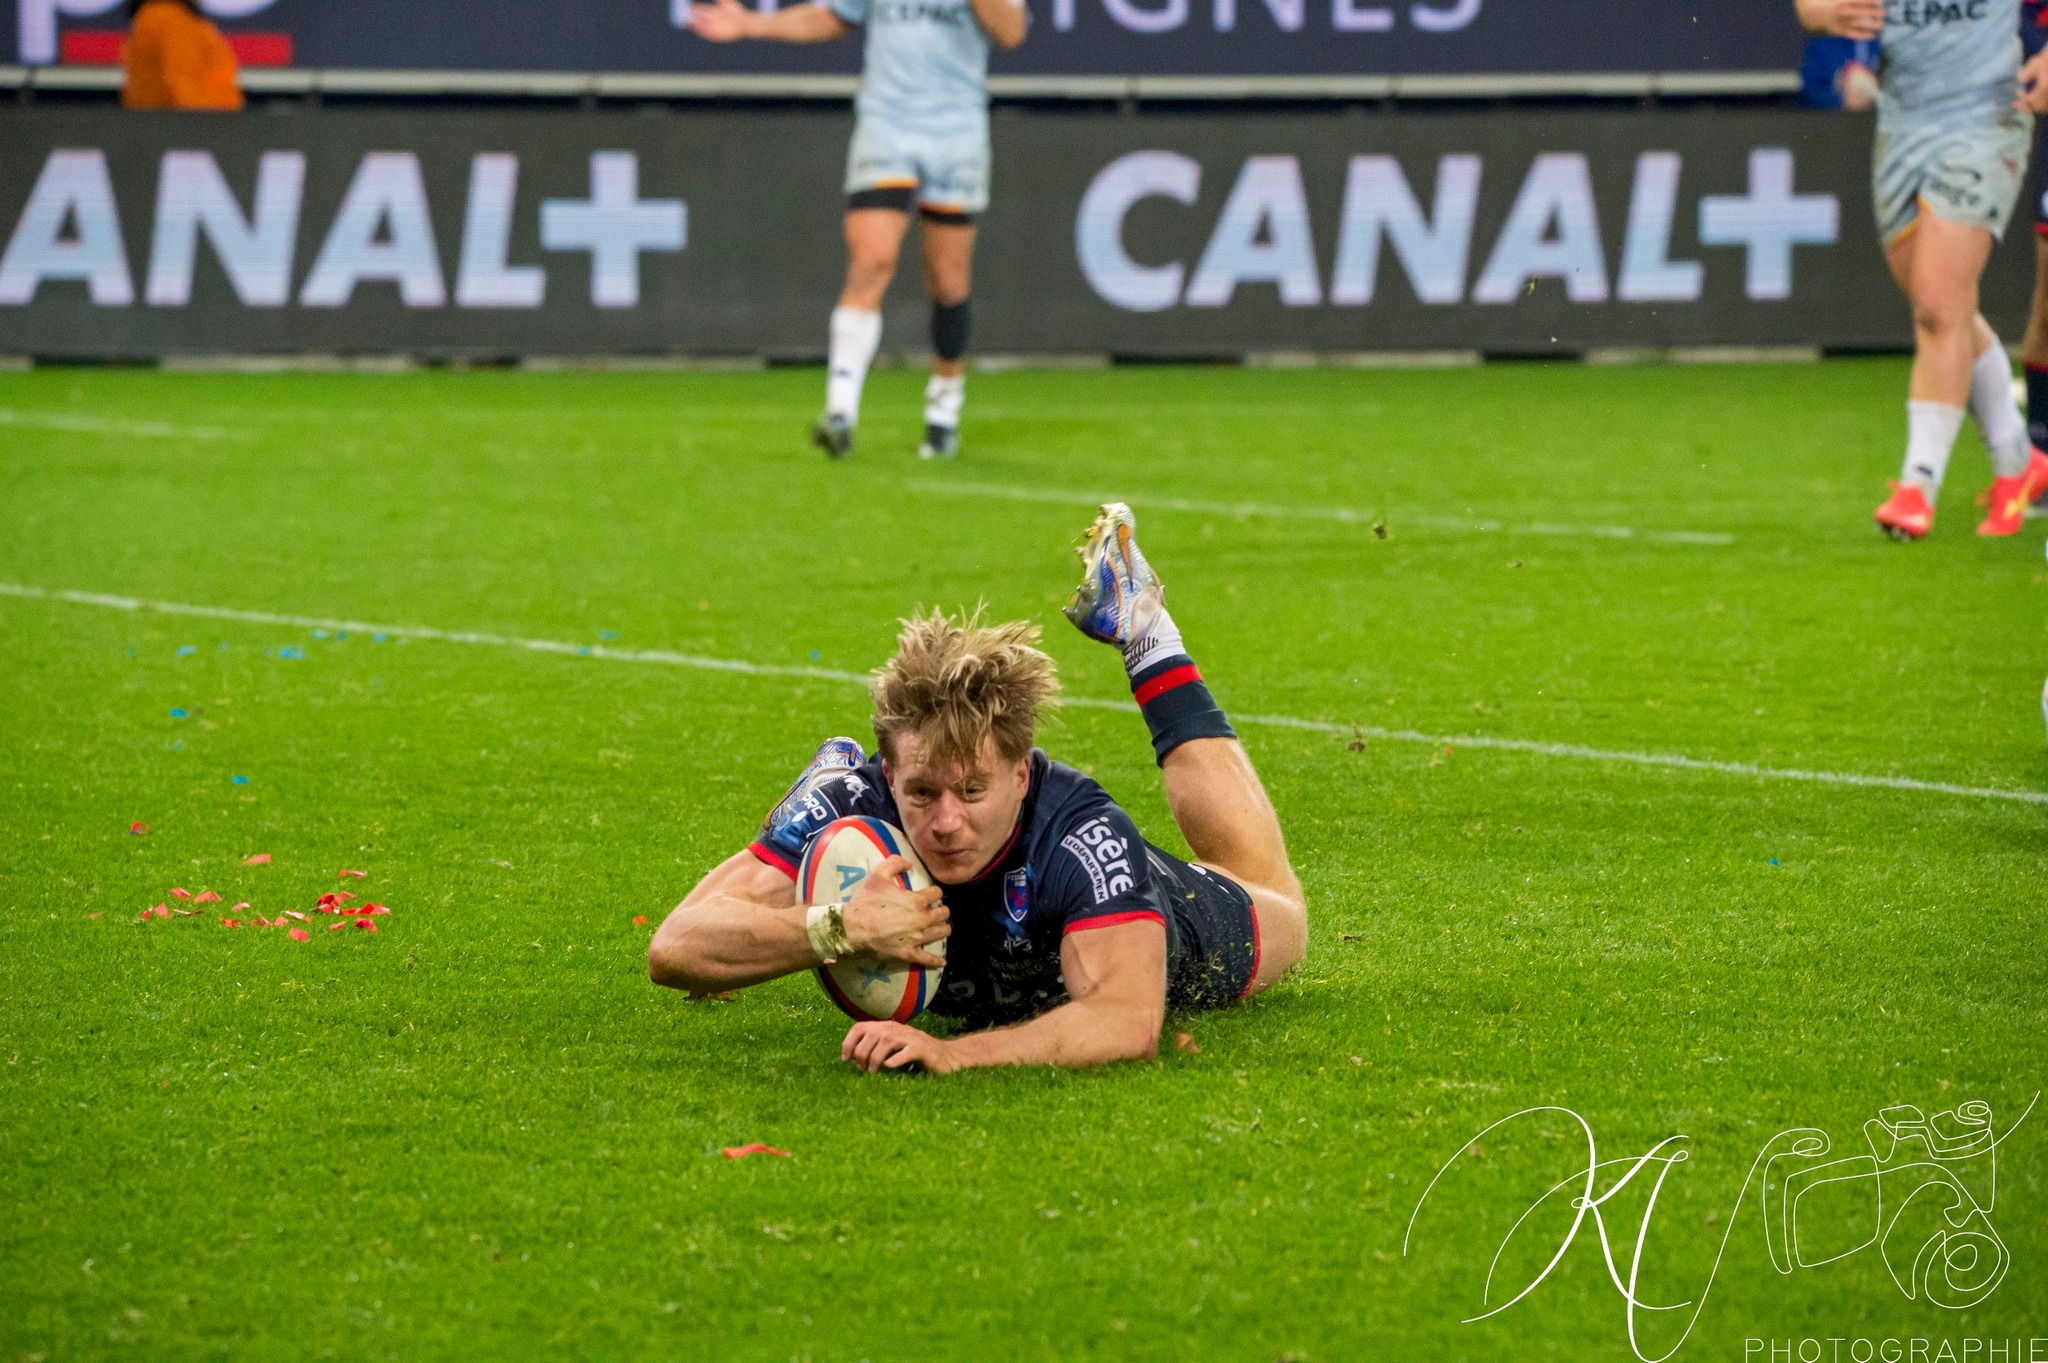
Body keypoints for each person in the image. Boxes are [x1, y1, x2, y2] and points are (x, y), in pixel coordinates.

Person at [648, 504, 1309, 1073]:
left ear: (1021, 773)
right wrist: (838, 925)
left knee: (1278, 900)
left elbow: (1123, 1021)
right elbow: (676, 946)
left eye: (971, 791)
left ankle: (1146, 633)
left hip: (1192, 917)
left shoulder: (1079, 830)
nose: (944, 822)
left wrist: (953, 1054)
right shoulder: (858, 800)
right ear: (887, 770)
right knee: (827, 835)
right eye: (922, 791)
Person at [689, 0, 1027, 462]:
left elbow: (1011, 31)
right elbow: (834, 17)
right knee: (871, 260)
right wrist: (752, 24)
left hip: (957, 132)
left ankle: (944, 410)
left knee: (948, 280)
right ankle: (840, 412)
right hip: (887, 126)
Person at [1799, 0, 2048, 538]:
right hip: (1902, 125)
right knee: (1942, 305)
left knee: (1938, 307)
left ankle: (1919, 485)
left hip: (1986, 118)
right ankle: (2019, 462)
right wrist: (1822, 12)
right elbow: (1808, 7)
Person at [121, 0, 242, 112]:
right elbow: (181, 87)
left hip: (165, 123)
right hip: (192, 125)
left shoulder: (161, 15)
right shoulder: (169, 18)